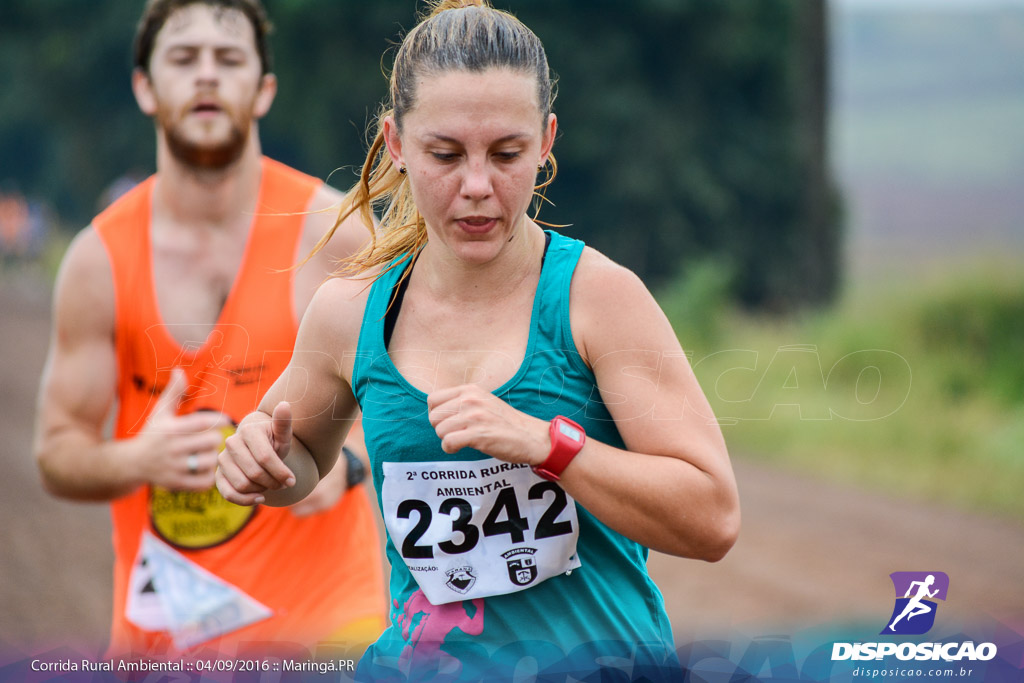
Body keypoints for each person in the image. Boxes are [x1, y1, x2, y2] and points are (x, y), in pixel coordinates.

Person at [216, 0, 741, 679]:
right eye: (444, 153)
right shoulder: (349, 314)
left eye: (506, 153)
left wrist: (548, 445)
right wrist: (260, 461)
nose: (476, 187)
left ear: (547, 140)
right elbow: (300, 462)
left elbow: (712, 518)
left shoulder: (598, 300)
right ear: (396, 143)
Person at [33, 0, 386, 659]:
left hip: (326, 634)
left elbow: (406, 393)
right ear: (144, 86)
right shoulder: (97, 260)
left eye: (228, 60)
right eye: (183, 58)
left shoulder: (334, 234)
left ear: (263, 90)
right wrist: (136, 457)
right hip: (163, 647)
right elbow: (56, 450)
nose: (206, 76)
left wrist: (348, 463)